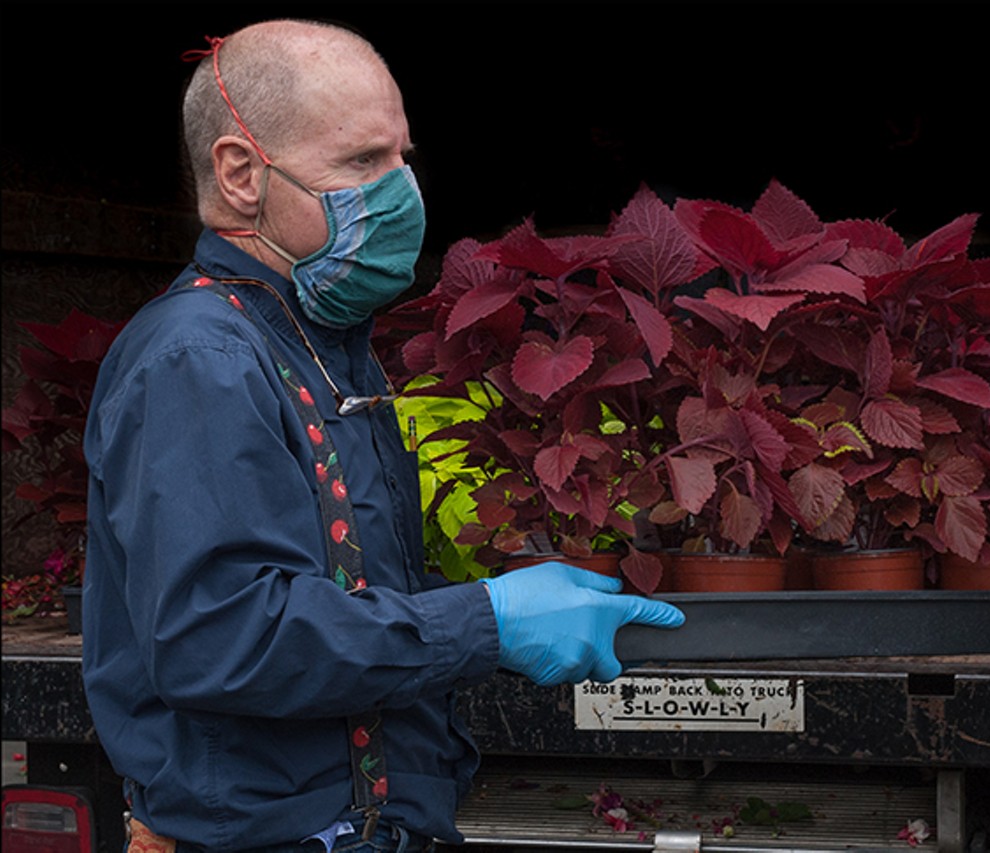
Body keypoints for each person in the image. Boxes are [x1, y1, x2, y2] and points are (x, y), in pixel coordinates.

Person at [81, 18, 684, 853]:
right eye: (363, 163)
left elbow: (343, 588)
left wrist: (511, 598)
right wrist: (486, 621)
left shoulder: (323, 348)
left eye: (401, 158)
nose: (402, 189)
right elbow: (220, 637)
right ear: (241, 173)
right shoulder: (200, 358)